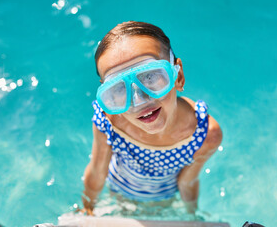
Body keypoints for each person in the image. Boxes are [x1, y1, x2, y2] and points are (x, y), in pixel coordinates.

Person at [80, 21, 222, 215]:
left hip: (165, 202)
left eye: (149, 77)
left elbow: (188, 182)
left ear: (178, 76)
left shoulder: (205, 134)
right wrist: (87, 209)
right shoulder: (109, 122)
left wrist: (192, 215)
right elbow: (97, 171)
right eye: (118, 88)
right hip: (118, 195)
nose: (139, 101)